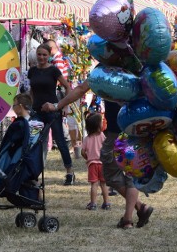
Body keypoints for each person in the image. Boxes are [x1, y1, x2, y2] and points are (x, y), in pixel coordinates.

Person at [50, 82, 154, 230]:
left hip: (115, 133)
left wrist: (56, 106)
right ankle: (136, 211)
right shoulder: (137, 66)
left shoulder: (106, 68)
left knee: (111, 175)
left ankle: (129, 218)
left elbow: (80, 89)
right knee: (131, 175)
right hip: (136, 130)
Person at [29, 44, 75, 185]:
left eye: (44, 55)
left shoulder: (54, 70)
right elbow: (32, 90)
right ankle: (35, 173)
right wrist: (32, 105)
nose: (41, 57)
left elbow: (67, 87)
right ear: (36, 55)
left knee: (60, 142)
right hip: (37, 113)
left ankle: (69, 172)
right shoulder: (32, 71)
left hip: (53, 112)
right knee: (35, 142)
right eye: (39, 54)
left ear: (49, 56)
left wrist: (65, 106)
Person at [81, 113, 110, 211]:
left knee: (94, 184)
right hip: (102, 164)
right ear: (98, 126)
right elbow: (106, 147)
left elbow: (82, 152)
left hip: (92, 164)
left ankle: (93, 204)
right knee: (104, 184)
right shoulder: (102, 135)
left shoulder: (86, 139)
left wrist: (88, 157)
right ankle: (107, 203)